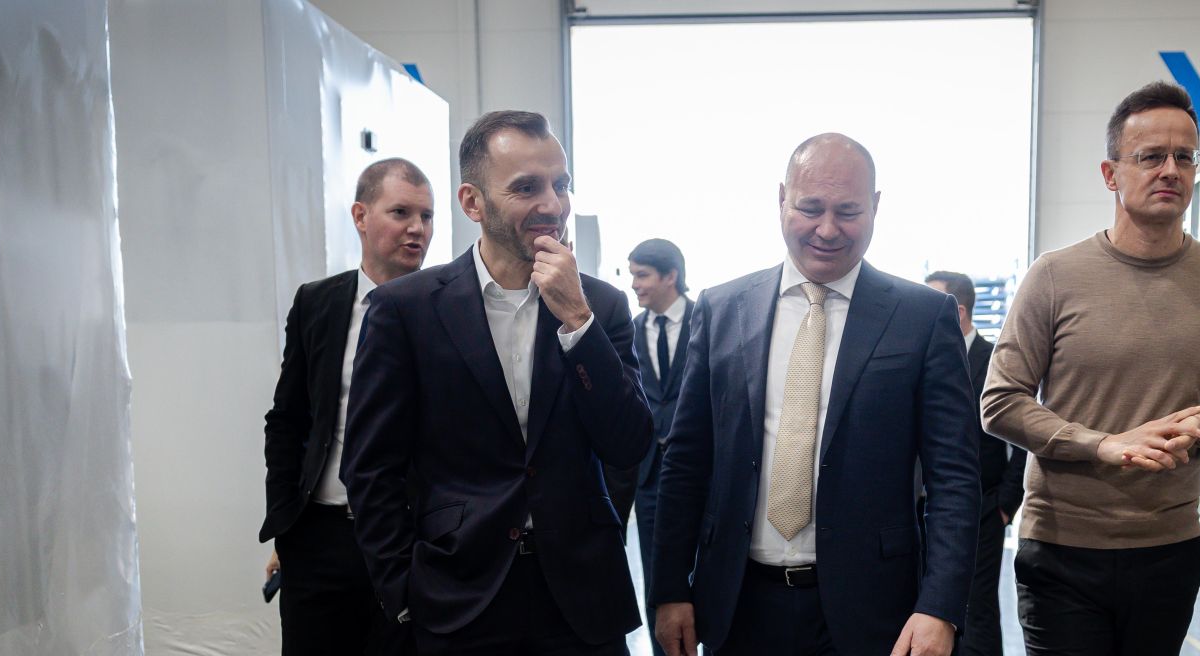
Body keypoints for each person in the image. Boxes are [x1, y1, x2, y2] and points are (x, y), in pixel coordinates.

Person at [651, 133, 981, 656]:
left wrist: (940, 606)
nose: (827, 229)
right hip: (736, 602)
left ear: (875, 207)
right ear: (782, 199)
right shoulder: (722, 308)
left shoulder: (921, 318)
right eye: (810, 208)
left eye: (848, 211)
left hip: (873, 609)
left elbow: (954, 477)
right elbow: (687, 459)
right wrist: (670, 587)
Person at [342, 110, 654, 655]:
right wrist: (403, 590)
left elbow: (628, 444)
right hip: (458, 598)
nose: (552, 204)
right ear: (473, 202)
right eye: (527, 188)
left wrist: (578, 322)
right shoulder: (406, 310)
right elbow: (371, 469)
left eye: (561, 185)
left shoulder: (600, 305)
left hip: (582, 602)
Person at [981, 80, 1200, 655]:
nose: (1170, 170)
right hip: (1062, 547)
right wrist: (1101, 445)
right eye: (1151, 156)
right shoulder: (1053, 276)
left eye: (1184, 157)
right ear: (1111, 174)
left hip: (1169, 546)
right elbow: (1000, 401)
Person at [258, 157, 431, 655]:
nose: (417, 229)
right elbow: (286, 420)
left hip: (409, 540)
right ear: (360, 216)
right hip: (319, 537)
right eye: (400, 212)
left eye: (426, 216)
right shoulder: (317, 303)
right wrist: (286, 524)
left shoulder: (445, 309)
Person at [924, 269, 1025, 656]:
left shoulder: (995, 361)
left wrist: (1005, 504)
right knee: (929, 606)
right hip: (926, 507)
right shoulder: (924, 357)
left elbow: (1023, 435)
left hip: (984, 506)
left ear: (959, 312)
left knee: (977, 607)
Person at [624, 237, 693, 656]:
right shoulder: (630, 329)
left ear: (670, 276)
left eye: (642, 275)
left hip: (701, 472)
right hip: (649, 475)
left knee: (708, 574)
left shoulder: (708, 319)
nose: (634, 284)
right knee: (657, 580)